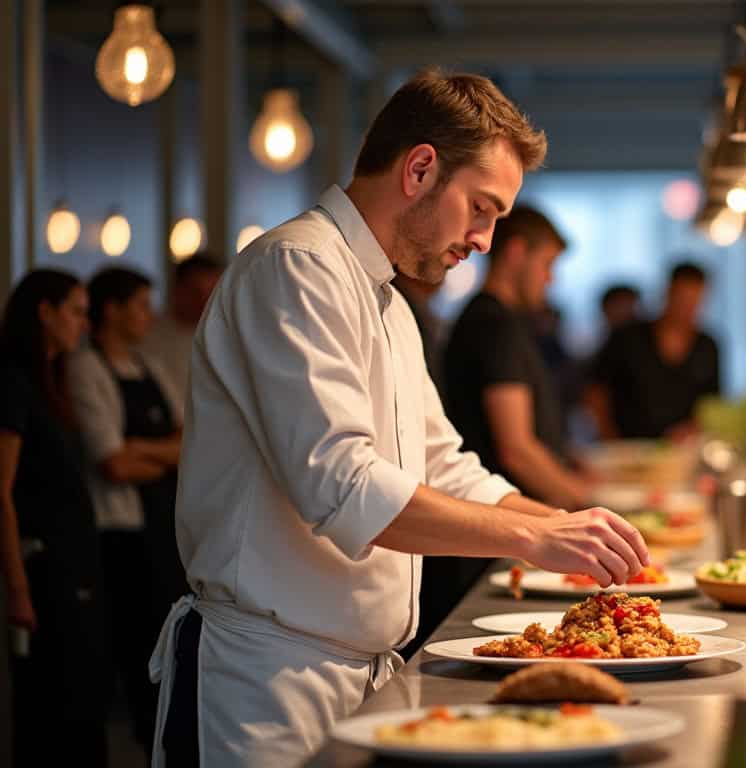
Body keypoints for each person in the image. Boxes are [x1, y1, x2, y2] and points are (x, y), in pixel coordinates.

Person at [149, 71, 650, 767]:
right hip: (265, 676)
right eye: (481, 208)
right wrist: (536, 539)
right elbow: (344, 489)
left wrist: (571, 531)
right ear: (420, 169)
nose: (483, 239)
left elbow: (447, 467)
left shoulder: (387, 301)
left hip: (357, 670)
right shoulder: (296, 266)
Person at [423, 207, 591, 649]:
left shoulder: (494, 320)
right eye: (547, 266)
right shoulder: (493, 324)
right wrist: (582, 511)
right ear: (517, 253)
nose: (550, 281)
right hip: (493, 545)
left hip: (502, 529)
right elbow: (517, 448)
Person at [67, 266, 186, 755]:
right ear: (111, 309)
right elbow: (112, 463)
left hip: (163, 528)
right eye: (140, 304)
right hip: (119, 534)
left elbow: (190, 440)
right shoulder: (84, 367)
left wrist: (144, 450)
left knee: (163, 656)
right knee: (133, 654)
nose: (148, 315)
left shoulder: (150, 365)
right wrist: (159, 453)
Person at [0, 270, 106, 767]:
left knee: (81, 702)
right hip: (44, 573)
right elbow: (1, 490)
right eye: (76, 312)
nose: (84, 326)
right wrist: (18, 588)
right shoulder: (14, 381)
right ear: (44, 312)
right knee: (53, 707)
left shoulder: (51, 382)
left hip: (74, 566)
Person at [587, 262, 720, 440]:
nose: (687, 309)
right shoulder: (628, 338)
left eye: (694, 301)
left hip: (681, 452)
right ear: (667, 293)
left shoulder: (707, 345)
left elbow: (712, 403)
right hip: (626, 450)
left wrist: (693, 430)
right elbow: (596, 391)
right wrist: (609, 437)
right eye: (682, 299)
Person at [137, 253, 223, 400]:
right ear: (177, 289)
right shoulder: (145, 333)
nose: (205, 301)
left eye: (212, 292)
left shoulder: (225, 338)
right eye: (197, 292)